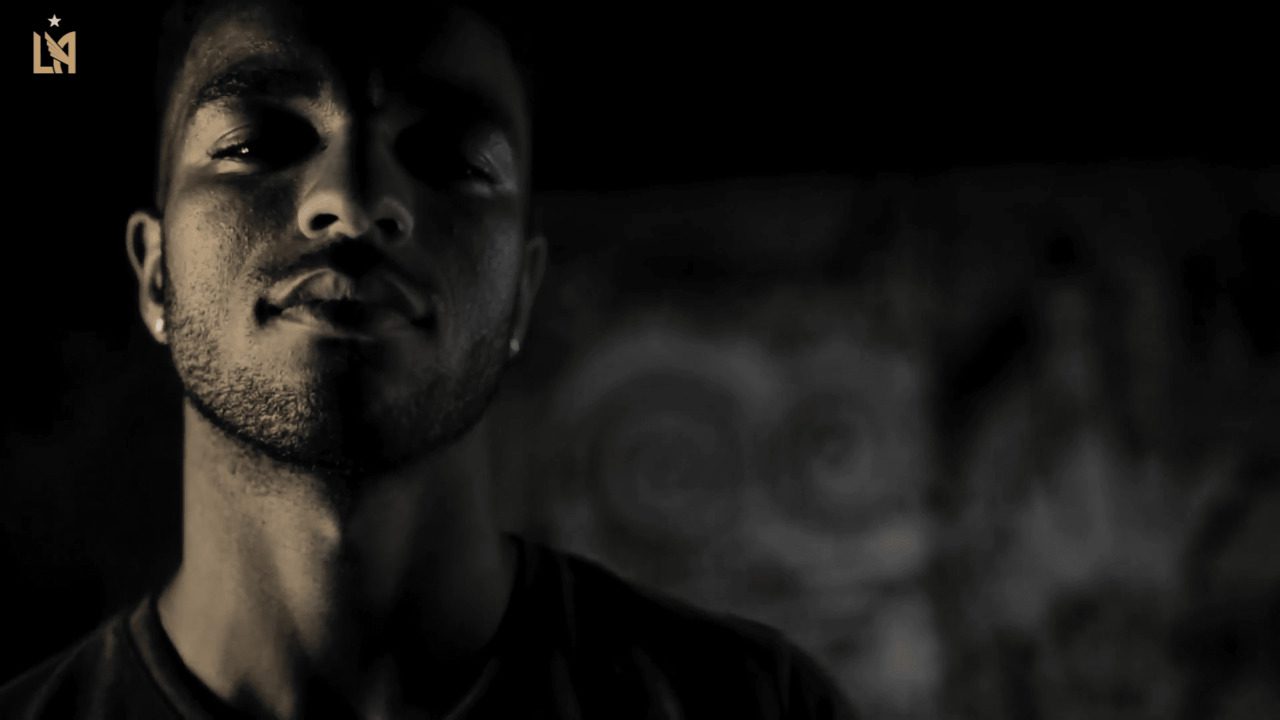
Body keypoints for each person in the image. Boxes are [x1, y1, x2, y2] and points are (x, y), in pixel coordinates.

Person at [0, 1, 857, 717]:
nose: (354, 200)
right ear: (156, 276)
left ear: (521, 293)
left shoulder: (756, 705)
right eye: (258, 142)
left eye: (448, 157)